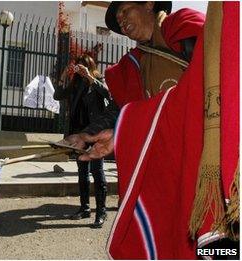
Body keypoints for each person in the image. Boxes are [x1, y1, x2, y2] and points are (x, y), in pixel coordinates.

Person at [64, 1, 239, 259]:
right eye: (118, 18)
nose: (121, 20)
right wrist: (86, 134)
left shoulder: (185, 30)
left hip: (207, 157)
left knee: (220, 243)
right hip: (168, 164)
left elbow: (217, 74)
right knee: (174, 239)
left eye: (125, 11)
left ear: (148, 4)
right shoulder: (133, 65)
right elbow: (120, 111)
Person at [54, 54, 112, 228]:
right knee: (82, 173)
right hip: (79, 134)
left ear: (90, 65)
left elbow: (108, 93)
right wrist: (64, 76)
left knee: (97, 171)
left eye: (82, 65)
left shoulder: (97, 79)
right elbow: (58, 95)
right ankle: (84, 208)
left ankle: (101, 212)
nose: (79, 68)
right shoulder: (76, 84)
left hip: (95, 134)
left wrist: (89, 76)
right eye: (78, 66)